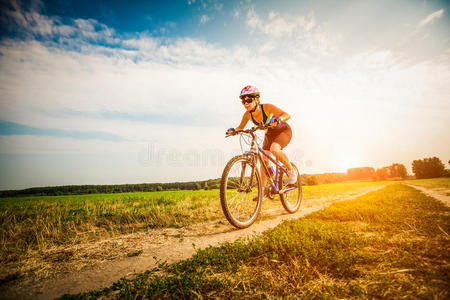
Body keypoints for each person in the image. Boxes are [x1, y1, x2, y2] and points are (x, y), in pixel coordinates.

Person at [226, 85, 297, 198]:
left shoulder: (267, 107)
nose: (246, 104)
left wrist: (279, 119)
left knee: (274, 149)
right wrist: (233, 130)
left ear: (257, 99)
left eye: (249, 100)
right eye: (243, 102)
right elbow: (240, 127)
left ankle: (291, 170)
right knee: (263, 161)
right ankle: (263, 191)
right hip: (269, 134)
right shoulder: (247, 115)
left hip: (283, 131)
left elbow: (286, 115)